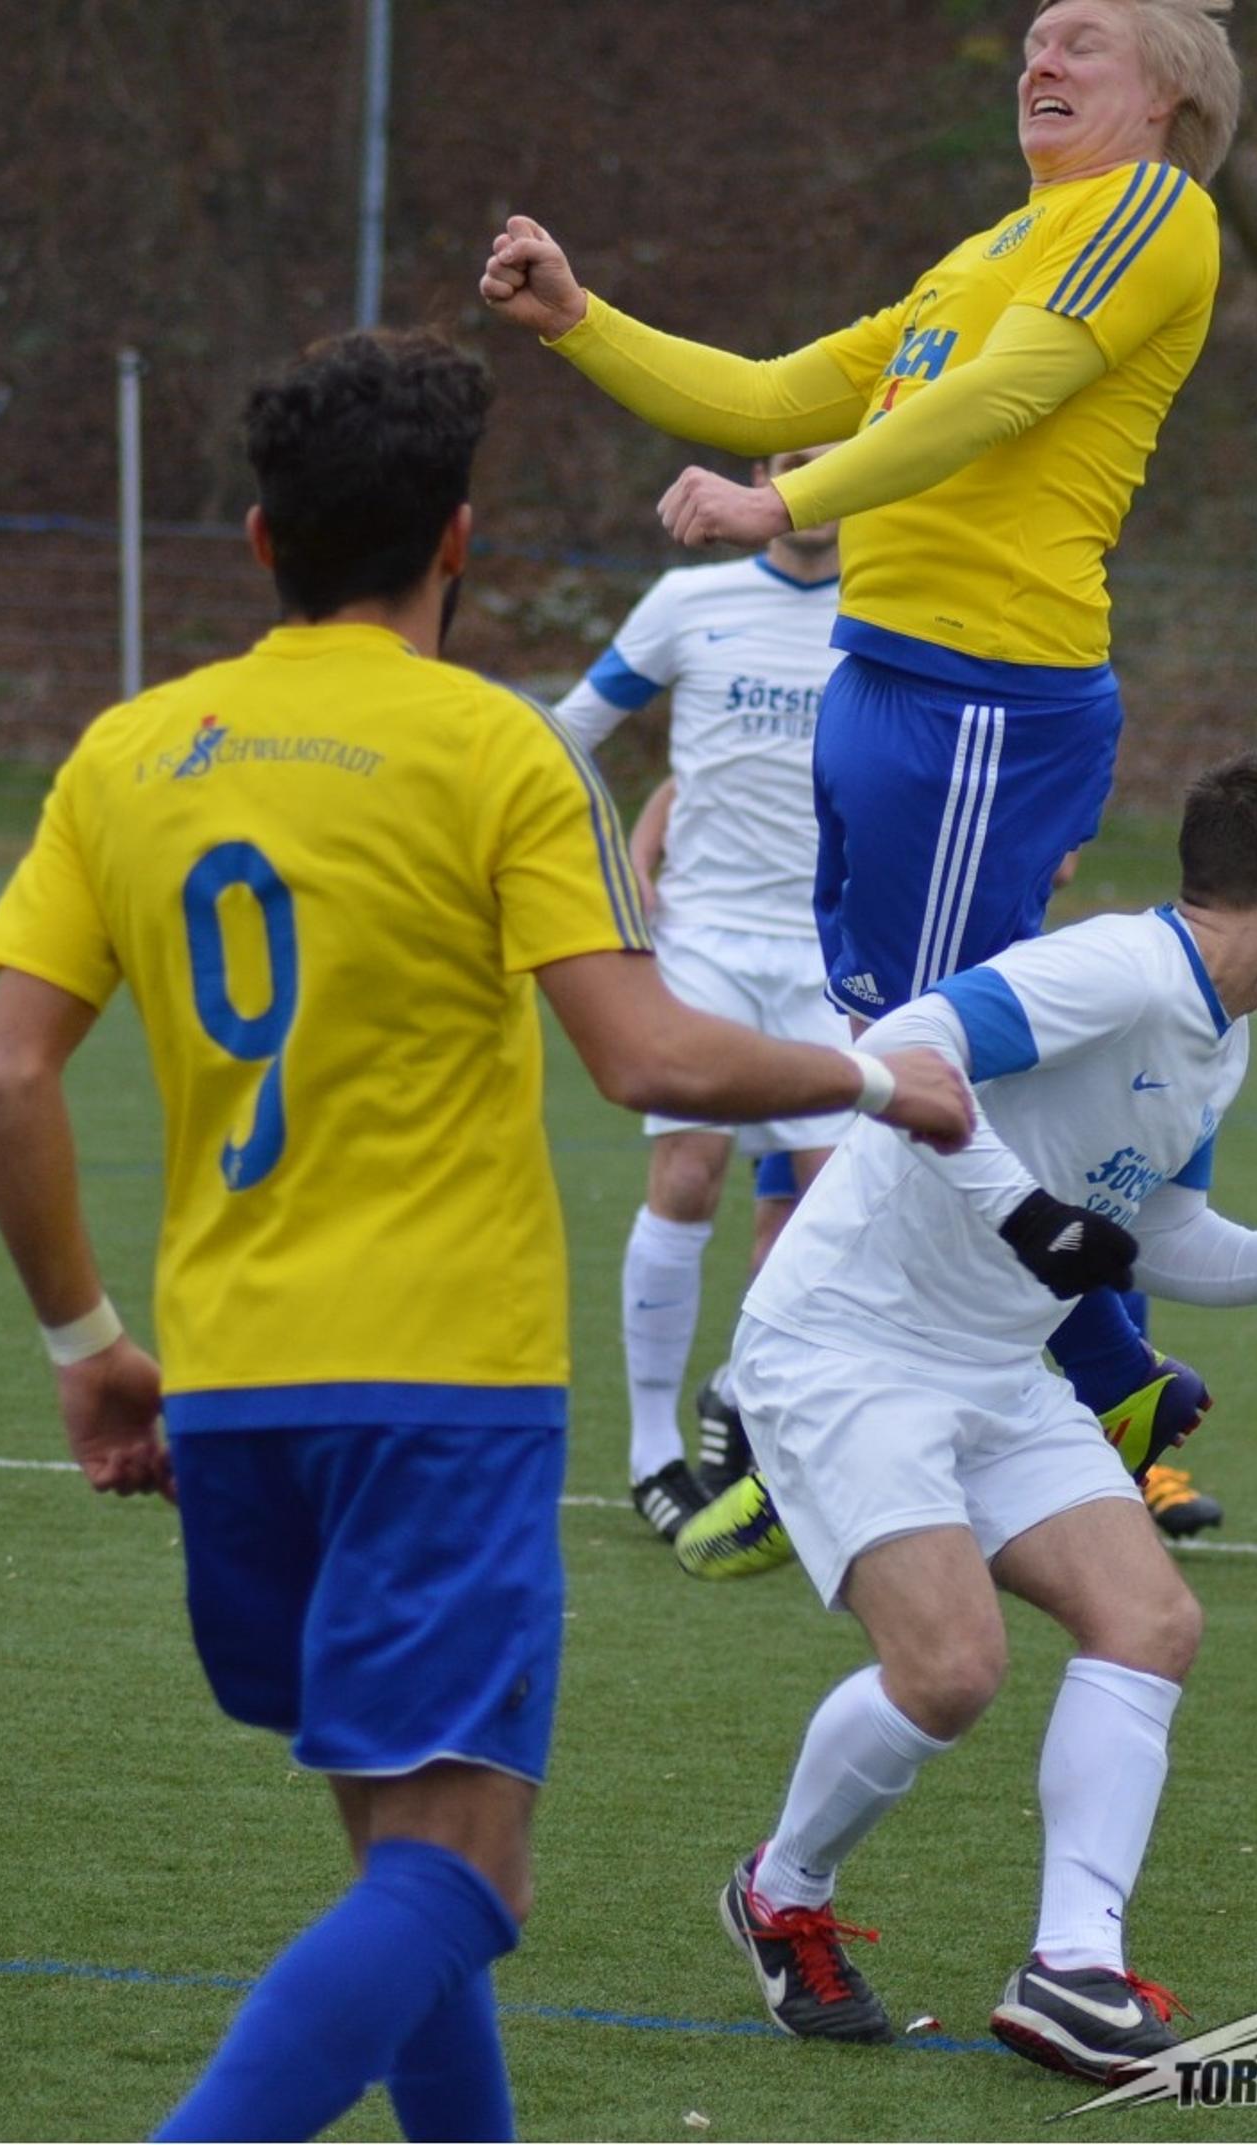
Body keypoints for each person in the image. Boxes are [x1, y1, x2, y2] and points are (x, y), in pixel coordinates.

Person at [0, 329, 973, 2144]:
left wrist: (85, 1347)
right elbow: (647, 1056)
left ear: (260, 539)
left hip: (235, 1392)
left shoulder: (131, 749)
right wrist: (877, 1079)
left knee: (401, 1855)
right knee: (465, 1877)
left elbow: (5, 1077)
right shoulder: (499, 750)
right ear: (459, 538)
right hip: (443, 1391)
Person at [480, 0, 1245, 1527]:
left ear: (1168, 92)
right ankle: (1101, 1369)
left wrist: (788, 505)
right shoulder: (985, 253)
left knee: (919, 1061)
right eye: (1032, 41)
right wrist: (579, 320)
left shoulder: (1151, 211)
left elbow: (1001, 399)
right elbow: (769, 397)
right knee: (905, 1050)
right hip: (892, 682)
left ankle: (869, 1396)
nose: (1040, 60)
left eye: (1082, 42)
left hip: (983, 692)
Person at [699, 752, 1257, 2079]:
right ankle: (779, 1893)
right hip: (844, 1348)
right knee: (950, 1669)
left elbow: (1162, 1235)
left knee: (1150, 1622)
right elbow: (903, 1044)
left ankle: (1071, 1969)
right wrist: (1023, 1211)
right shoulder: (1121, 970)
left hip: (993, 1365)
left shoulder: (1220, 1033)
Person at [553, 448, 850, 1538]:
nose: (809, 481)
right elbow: (565, 735)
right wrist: (613, 865)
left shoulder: (893, 610)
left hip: (829, 952)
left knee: (841, 1203)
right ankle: (652, 1451)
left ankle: (742, 1384)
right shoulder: (690, 601)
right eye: (792, 460)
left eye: (832, 460)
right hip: (703, 940)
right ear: (761, 474)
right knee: (689, 1170)